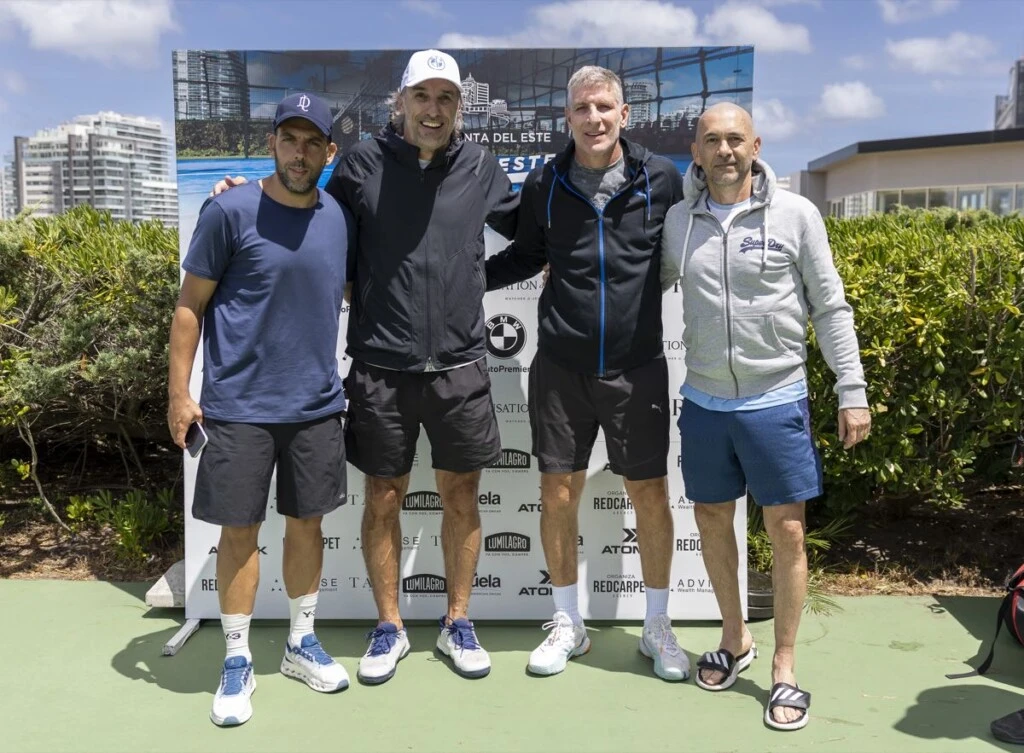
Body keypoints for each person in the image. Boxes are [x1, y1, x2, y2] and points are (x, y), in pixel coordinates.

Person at [214, 49, 518, 682]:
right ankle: (390, 627)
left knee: (461, 495)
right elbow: (302, 209)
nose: (434, 110)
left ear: (459, 107)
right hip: (381, 365)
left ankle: (457, 621)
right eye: (422, 97)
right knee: (383, 497)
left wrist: (476, 279)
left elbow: (528, 233)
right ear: (399, 102)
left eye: (446, 99)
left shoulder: (482, 167)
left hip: (461, 365)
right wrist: (235, 192)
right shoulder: (359, 164)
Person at [660, 102, 871, 731]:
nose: (724, 151)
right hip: (702, 401)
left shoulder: (796, 214)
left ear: (755, 145)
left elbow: (829, 306)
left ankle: (783, 663)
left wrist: (850, 388)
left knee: (789, 533)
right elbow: (637, 287)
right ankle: (735, 637)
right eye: (711, 141)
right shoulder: (677, 222)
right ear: (694, 152)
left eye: (734, 139)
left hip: (776, 398)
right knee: (712, 519)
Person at [484, 66, 688, 681]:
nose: (593, 118)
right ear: (566, 118)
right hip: (561, 368)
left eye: (604, 107)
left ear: (624, 113)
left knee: (649, 495)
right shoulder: (546, 180)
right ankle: (567, 622)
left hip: (639, 368)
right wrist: (457, 281)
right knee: (556, 493)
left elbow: (704, 233)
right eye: (581, 109)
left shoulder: (662, 178)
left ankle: (656, 625)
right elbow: (525, 254)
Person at [168, 92, 353, 727]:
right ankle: (239, 657)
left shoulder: (338, 217)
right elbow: (189, 307)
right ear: (271, 143)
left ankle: (301, 642)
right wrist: (178, 393)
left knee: (307, 527)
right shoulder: (228, 210)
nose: (299, 153)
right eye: (288, 139)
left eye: (312, 142)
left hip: (316, 407)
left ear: (330, 152)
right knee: (238, 535)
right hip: (237, 409)